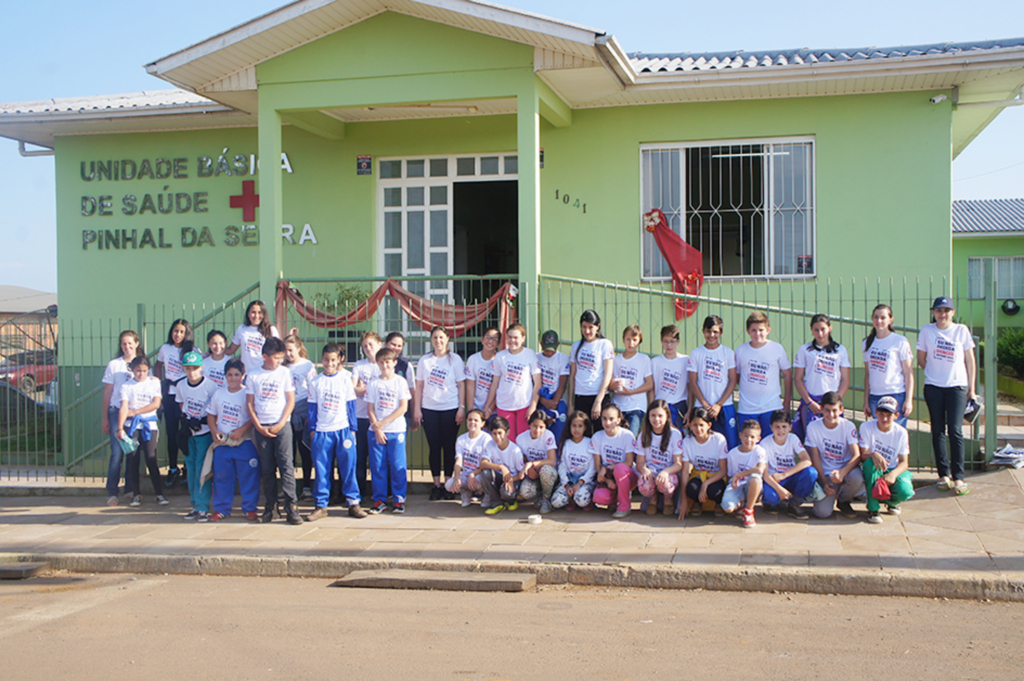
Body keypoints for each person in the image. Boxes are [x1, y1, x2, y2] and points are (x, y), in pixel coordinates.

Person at [917, 296, 977, 496]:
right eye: (938, 311)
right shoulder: (927, 330)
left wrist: (971, 388)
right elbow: (921, 358)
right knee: (937, 430)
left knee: (956, 430)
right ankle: (943, 475)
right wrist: (935, 373)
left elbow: (970, 360)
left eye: (946, 310)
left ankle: (958, 476)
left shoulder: (961, 330)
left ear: (952, 312)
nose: (942, 314)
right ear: (933, 313)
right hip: (934, 387)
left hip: (957, 387)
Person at [306, 342, 365, 521]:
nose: (329, 363)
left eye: (333, 359)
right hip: (322, 432)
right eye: (326, 359)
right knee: (322, 469)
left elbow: (350, 405)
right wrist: (312, 430)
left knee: (348, 468)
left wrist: (352, 430)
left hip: (343, 430)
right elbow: (312, 408)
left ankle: (353, 503)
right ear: (322, 360)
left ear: (340, 359)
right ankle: (321, 505)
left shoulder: (345, 380)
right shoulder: (315, 382)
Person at [246, 336, 300, 525]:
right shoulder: (253, 375)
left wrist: (281, 422)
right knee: (267, 468)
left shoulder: (284, 373)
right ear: (264, 356)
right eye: (275, 357)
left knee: (286, 466)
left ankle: (291, 506)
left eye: (281, 357)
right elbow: (250, 404)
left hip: (281, 425)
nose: (279, 361)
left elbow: (290, 400)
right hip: (262, 426)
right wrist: (259, 426)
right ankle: (271, 506)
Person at [415, 326, 466, 500]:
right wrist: (417, 409)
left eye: (441, 337)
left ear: (447, 339)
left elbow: (461, 385)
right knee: (434, 448)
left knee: (449, 447)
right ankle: (436, 484)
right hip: (429, 409)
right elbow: (419, 385)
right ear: (431, 340)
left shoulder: (456, 360)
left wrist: (462, 407)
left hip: (450, 408)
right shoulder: (425, 360)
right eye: (435, 337)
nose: (438, 341)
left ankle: (448, 484)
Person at [207, 359, 261, 522]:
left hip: (244, 442)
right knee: (222, 477)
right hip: (224, 443)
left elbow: (254, 417)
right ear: (225, 376)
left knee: (249, 476)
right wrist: (214, 430)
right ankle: (222, 508)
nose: (233, 378)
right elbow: (211, 415)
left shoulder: (247, 394)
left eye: (237, 374)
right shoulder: (219, 394)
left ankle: (250, 508)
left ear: (243, 376)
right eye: (230, 374)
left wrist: (242, 430)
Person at [115, 356, 167, 507]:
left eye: (144, 371)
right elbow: (124, 407)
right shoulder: (126, 386)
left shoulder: (154, 382)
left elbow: (156, 403)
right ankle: (136, 494)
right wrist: (120, 428)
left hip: (149, 425)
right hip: (132, 426)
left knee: (151, 458)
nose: (141, 374)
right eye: (138, 370)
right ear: (132, 370)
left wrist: (136, 411)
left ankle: (159, 493)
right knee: (133, 459)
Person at [366, 347, 412, 514]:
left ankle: (399, 499)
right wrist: (376, 427)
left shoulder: (400, 382)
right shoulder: (373, 383)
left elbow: (403, 407)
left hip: (396, 430)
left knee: (397, 465)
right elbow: (370, 408)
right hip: (376, 432)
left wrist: (384, 422)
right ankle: (379, 500)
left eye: (388, 362)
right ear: (377, 363)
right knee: (378, 466)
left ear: (394, 363)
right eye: (381, 362)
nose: (384, 365)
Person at [175, 351, 218, 521]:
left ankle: (202, 506)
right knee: (191, 468)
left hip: (204, 432)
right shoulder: (181, 385)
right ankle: (194, 504)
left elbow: (214, 409)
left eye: (194, 368)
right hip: (188, 432)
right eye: (187, 368)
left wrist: (203, 421)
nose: (191, 372)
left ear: (201, 367)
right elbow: (181, 403)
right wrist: (188, 420)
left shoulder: (210, 385)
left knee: (203, 469)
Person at [806, 391, 863, 519]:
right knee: (823, 513)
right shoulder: (813, 427)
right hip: (827, 474)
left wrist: (842, 472)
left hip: (847, 470)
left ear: (841, 410)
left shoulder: (848, 426)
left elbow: (856, 455)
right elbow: (815, 456)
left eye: (835, 410)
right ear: (821, 409)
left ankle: (844, 500)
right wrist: (824, 481)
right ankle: (830, 493)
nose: (831, 415)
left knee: (857, 478)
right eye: (827, 410)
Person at [102, 330, 143, 506]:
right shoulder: (114, 365)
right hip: (116, 411)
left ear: (136, 344)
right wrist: (105, 418)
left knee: (132, 452)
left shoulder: (141, 363)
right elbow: (108, 392)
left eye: (130, 343)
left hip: (135, 413)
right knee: (117, 453)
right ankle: (112, 491)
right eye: (123, 344)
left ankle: (130, 488)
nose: (127, 346)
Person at [793, 314, 851, 440]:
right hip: (812, 403)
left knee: (833, 440)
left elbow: (845, 380)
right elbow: (797, 379)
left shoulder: (840, 350)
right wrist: (810, 402)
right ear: (811, 330)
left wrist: (835, 402)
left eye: (823, 329)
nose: (820, 333)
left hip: (831, 404)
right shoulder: (805, 349)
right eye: (816, 330)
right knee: (812, 441)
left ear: (830, 328)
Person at [735, 311, 792, 436]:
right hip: (747, 408)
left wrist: (787, 402)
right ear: (748, 331)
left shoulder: (777, 349)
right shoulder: (741, 350)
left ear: (768, 330)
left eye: (761, 330)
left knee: (770, 445)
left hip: (771, 407)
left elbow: (787, 375)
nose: (757, 334)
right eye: (753, 330)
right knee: (749, 445)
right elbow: (738, 376)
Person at [860, 396, 915, 523]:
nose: (884, 419)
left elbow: (904, 462)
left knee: (905, 490)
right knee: (869, 464)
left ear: (896, 415)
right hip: (876, 467)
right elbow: (863, 455)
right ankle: (873, 508)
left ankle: (892, 502)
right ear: (876, 413)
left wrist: (893, 474)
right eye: (881, 414)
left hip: (893, 468)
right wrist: (873, 454)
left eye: (889, 415)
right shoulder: (866, 427)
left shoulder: (901, 432)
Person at [688, 315, 739, 450]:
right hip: (702, 407)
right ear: (703, 331)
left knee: (730, 445)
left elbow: (733, 380)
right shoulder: (696, 353)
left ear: (721, 333)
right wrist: (705, 404)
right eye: (708, 331)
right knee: (704, 444)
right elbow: (692, 382)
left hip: (724, 406)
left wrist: (719, 404)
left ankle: (730, 471)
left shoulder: (727, 353)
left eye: (715, 332)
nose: (711, 335)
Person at [485, 322, 541, 441]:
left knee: (523, 440)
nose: (512, 340)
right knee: (506, 440)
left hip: (524, 404)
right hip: (504, 405)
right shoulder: (500, 357)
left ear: (523, 338)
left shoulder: (530, 354)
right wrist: (487, 406)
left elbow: (538, 383)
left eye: (516, 337)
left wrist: (533, 406)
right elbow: (495, 383)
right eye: (510, 337)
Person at [154, 318, 193, 488]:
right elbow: (157, 366)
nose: (178, 334)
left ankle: (187, 467)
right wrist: (160, 383)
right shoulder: (165, 348)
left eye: (182, 332)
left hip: (186, 396)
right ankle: (172, 467)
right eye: (176, 331)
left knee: (186, 431)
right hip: (170, 395)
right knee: (171, 432)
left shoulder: (192, 350)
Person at [862, 304, 914, 428]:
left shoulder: (900, 341)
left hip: (896, 394)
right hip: (875, 396)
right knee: (880, 436)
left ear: (890, 320)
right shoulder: (866, 343)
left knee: (896, 436)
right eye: (876, 317)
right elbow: (868, 374)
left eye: (883, 317)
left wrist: (908, 400)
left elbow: (908, 373)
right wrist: (866, 400)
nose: (879, 321)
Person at [759, 409, 816, 519]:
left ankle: (794, 504)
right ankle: (770, 503)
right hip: (773, 479)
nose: (780, 430)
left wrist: (784, 475)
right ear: (771, 427)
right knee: (771, 497)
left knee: (811, 472)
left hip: (789, 476)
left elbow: (807, 460)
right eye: (777, 426)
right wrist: (779, 489)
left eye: (784, 426)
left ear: (790, 427)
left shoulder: (793, 438)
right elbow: (765, 474)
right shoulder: (764, 444)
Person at [635, 400, 683, 516]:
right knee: (644, 484)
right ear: (648, 417)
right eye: (653, 415)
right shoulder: (643, 435)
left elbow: (678, 464)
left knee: (665, 483)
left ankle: (668, 499)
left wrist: (666, 472)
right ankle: (653, 498)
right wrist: (645, 470)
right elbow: (639, 463)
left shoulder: (675, 434)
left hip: (668, 472)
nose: (656, 419)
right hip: (652, 471)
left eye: (660, 416)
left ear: (667, 416)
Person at [590, 403, 638, 518]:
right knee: (599, 497)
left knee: (620, 468)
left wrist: (607, 468)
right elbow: (597, 465)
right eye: (604, 418)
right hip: (609, 476)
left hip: (627, 475)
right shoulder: (597, 437)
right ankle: (614, 499)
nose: (607, 422)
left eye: (611, 419)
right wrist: (607, 481)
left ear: (619, 420)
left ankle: (624, 506)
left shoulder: (627, 435)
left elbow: (629, 462)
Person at [679, 407, 729, 519]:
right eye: (695, 425)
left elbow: (723, 470)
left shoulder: (718, 439)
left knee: (715, 491)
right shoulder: (687, 442)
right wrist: (683, 500)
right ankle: (696, 502)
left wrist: (706, 484)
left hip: (715, 476)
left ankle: (718, 503)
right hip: (698, 475)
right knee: (691, 489)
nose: (698, 429)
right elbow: (685, 471)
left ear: (709, 425)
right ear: (690, 425)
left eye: (702, 425)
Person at [569, 309, 615, 429]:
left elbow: (608, 374)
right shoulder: (576, 346)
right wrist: (570, 403)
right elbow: (572, 376)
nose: (587, 331)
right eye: (584, 327)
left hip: (598, 395)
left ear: (598, 327)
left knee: (601, 433)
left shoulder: (605, 344)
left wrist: (598, 401)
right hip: (580, 396)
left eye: (591, 327)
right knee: (583, 435)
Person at [284, 335, 317, 501]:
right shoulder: (282, 368)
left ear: (298, 348)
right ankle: (287, 488)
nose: (288, 354)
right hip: (287, 410)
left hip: (304, 407)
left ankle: (306, 486)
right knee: (288, 451)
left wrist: (310, 414)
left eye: (291, 350)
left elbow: (313, 387)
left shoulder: (307, 365)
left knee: (305, 449)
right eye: (286, 350)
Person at [352, 331, 383, 499]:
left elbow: (384, 389)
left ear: (380, 344)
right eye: (364, 346)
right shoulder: (359, 365)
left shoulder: (382, 365)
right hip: (360, 416)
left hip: (379, 418)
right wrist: (370, 390)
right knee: (359, 457)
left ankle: (381, 494)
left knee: (378, 460)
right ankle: (359, 493)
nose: (368, 348)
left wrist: (364, 389)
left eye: (371, 344)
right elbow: (352, 389)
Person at [720, 420, 767, 528]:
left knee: (755, 477)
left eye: (752, 437)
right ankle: (741, 504)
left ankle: (749, 511)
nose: (748, 440)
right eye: (746, 436)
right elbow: (731, 475)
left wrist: (740, 474)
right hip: (739, 485)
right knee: (728, 508)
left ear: (758, 439)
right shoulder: (732, 453)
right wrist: (733, 482)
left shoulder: (759, 451)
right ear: (740, 435)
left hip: (753, 484)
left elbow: (760, 469)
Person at [610, 324, 654, 436]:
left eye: (635, 340)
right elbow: (609, 383)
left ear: (639, 341)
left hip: (636, 407)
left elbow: (649, 384)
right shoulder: (616, 360)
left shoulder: (643, 359)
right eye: (628, 339)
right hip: (618, 406)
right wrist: (612, 386)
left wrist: (631, 392)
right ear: (623, 340)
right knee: (616, 437)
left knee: (630, 438)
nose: (631, 343)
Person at [445, 409, 491, 508]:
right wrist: (457, 478)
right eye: (470, 420)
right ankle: (466, 494)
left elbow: (486, 463)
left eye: (476, 420)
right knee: (449, 484)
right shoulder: (461, 439)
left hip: (480, 473)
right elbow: (458, 461)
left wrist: (473, 474)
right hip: (466, 474)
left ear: (482, 423)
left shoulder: (486, 439)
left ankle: (487, 494)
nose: (472, 422)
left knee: (485, 477)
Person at [515, 411, 559, 513]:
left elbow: (551, 461)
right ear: (529, 424)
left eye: (541, 427)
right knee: (525, 492)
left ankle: (546, 498)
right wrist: (528, 469)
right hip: (533, 474)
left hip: (548, 473)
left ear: (545, 427)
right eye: (535, 426)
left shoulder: (548, 436)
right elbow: (522, 459)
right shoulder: (521, 438)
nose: (537, 430)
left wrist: (532, 464)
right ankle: (539, 494)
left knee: (546, 470)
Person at [480, 416, 525, 515]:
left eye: (500, 433)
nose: (497, 437)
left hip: (513, 479)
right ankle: (497, 503)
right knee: (485, 473)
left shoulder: (515, 450)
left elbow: (521, 474)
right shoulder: (490, 444)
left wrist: (510, 480)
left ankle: (511, 500)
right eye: (494, 434)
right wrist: (501, 467)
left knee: (506, 493)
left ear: (507, 432)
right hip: (499, 477)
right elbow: (482, 463)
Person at [550, 410, 595, 511]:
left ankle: (587, 500)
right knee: (556, 501)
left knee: (581, 500)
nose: (576, 429)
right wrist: (566, 484)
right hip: (570, 480)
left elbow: (593, 468)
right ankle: (570, 500)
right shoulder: (565, 444)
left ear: (585, 427)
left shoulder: (590, 443)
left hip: (584, 481)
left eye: (580, 426)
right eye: (574, 425)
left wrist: (580, 483)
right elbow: (562, 466)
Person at [226, 300, 280, 375]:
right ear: (248, 314)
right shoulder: (242, 329)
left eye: (260, 312)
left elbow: (278, 352)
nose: (256, 316)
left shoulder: (271, 330)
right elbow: (231, 350)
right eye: (253, 312)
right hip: (246, 374)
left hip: (264, 374)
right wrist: (212, 353)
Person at [652, 324, 689, 431]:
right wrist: (652, 408)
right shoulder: (655, 362)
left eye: (672, 341)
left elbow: (690, 387)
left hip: (679, 406)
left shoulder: (685, 360)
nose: (669, 345)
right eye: (666, 341)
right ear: (661, 341)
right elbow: (651, 388)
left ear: (678, 341)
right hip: (661, 406)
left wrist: (689, 410)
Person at [536, 330, 570, 441]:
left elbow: (563, 383)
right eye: (546, 349)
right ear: (541, 344)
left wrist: (554, 402)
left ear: (558, 345)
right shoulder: (536, 357)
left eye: (552, 350)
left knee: (559, 431)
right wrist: (543, 400)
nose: (549, 353)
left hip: (558, 400)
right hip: (541, 398)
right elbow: (534, 382)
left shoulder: (563, 358)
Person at [465, 327, 500, 413]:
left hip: (495, 409)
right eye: (488, 337)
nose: (490, 341)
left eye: (494, 339)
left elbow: (500, 388)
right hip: (476, 408)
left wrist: (489, 409)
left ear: (498, 343)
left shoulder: (500, 360)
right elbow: (470, 386)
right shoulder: (473, 359)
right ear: (482, 339)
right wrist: (471, 410)